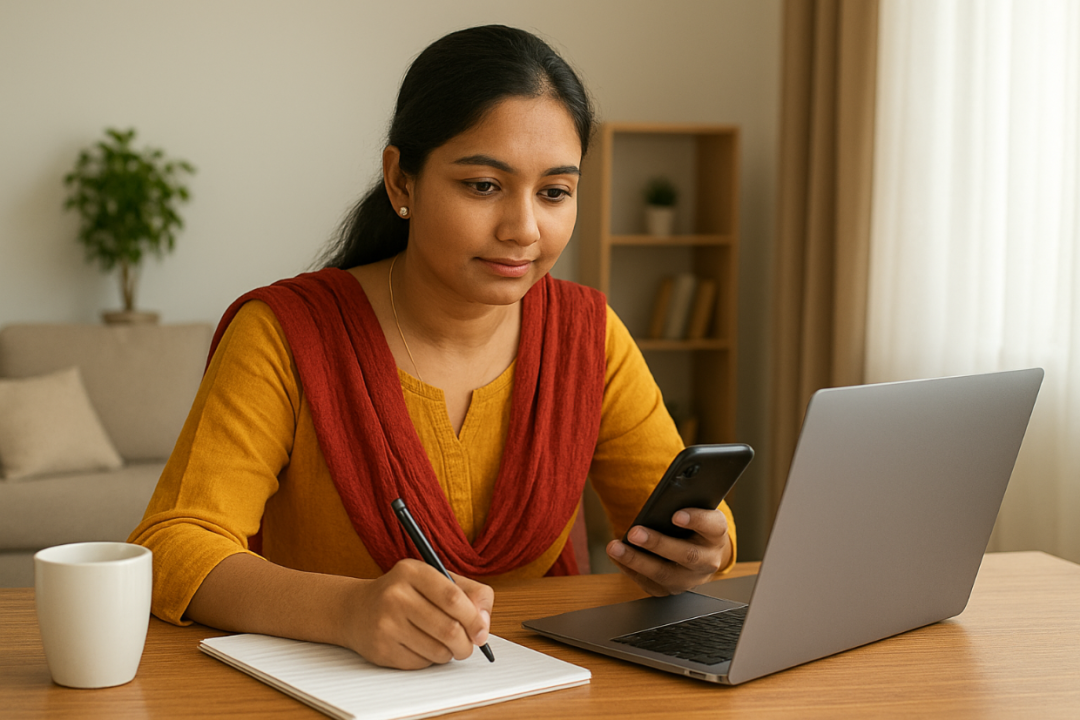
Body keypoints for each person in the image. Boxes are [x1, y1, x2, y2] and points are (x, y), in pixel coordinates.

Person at [129, 25, 736, 671]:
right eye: (483, 185)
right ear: (402, 182)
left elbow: (686, 523)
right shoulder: (284, 333)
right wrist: (347, 611)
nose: (524, 229)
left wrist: (705, 551)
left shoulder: (587, 335)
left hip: (531, 688)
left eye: (555, 192)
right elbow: (173, 546)